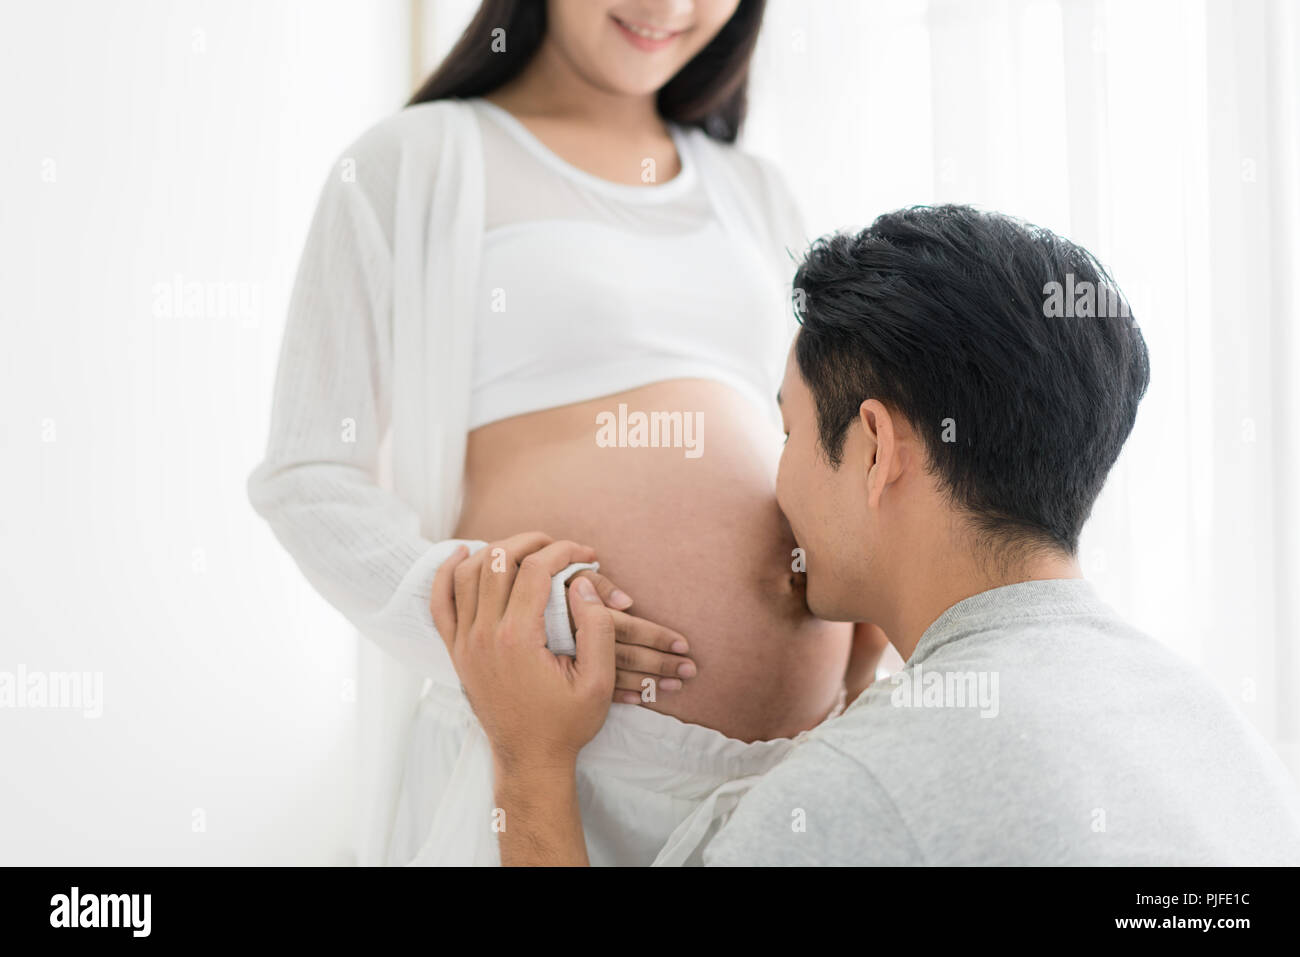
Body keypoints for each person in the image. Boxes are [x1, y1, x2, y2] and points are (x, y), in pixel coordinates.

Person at [433, 205, 1300, 865]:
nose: (775, 489)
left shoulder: (863, 789)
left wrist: (529, 763)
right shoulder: (1210, 725)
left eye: (788, 433)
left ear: (877, 448)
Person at [246, 0, 869, 866]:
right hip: (542, 772)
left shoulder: (756, 192)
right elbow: (307, 476)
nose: (669, 7)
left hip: (782, 791)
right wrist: (495, 610)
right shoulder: (411, 162)